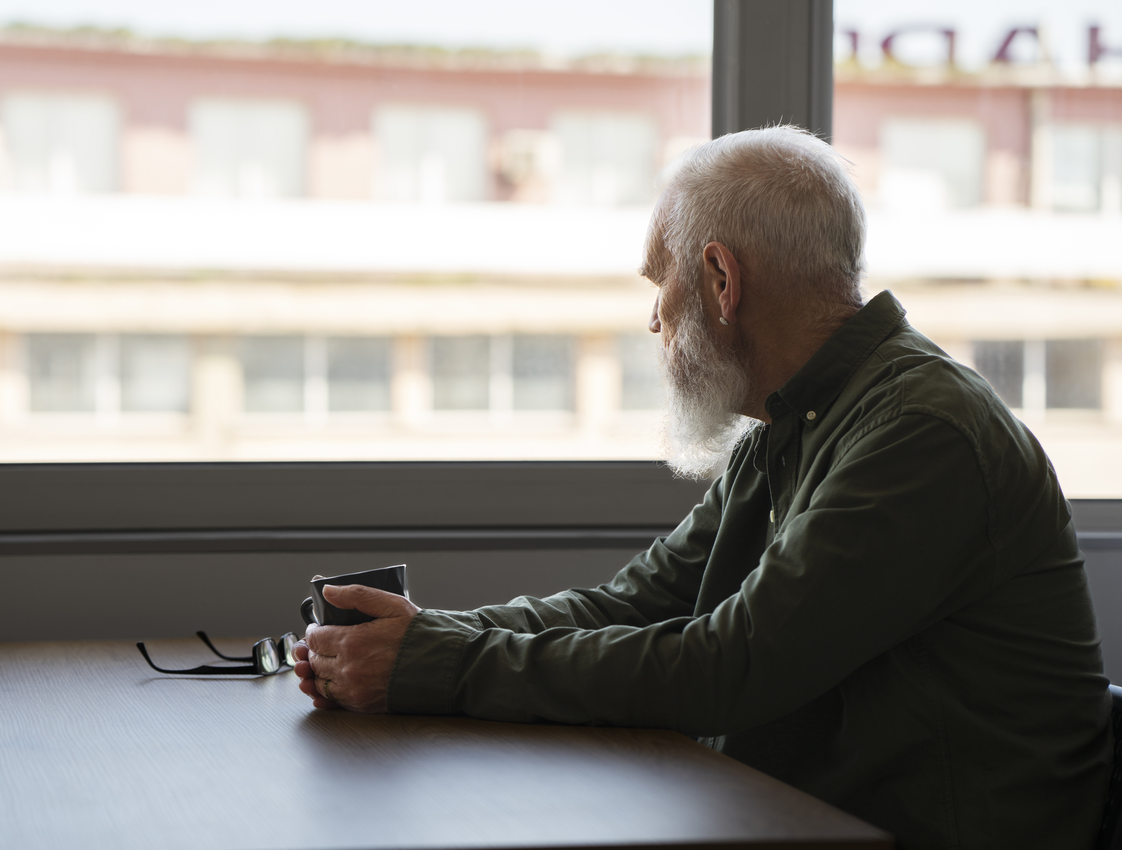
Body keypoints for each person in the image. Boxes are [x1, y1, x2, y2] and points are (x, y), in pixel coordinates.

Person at [292, 125, 1112, 849]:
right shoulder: (794, 424)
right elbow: (635, 604)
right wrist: (425, 636)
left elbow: (732, 666)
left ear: (722, 281)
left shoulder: (922, 433)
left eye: (661, 282)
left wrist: (441, 664)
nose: (655, 320)